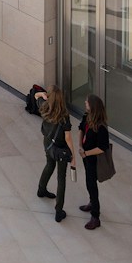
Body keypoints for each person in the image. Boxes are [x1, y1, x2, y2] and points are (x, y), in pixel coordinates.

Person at [37, 85, 75, 222]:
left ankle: (41, 189)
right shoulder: (64, 116)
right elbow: (68, 139)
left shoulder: (44, 107)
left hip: (48, 143)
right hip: (61, 149)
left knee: (49, 165)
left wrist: (43, 94)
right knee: (61, 179)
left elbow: (36, 96)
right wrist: (73, 156)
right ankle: (59, 211)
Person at [78, 93, 111, 230]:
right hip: (85, 156)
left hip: (93, 159)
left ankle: (95, 216)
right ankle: (92, 202)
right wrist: (80, 146)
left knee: (91, 185)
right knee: (88, 182)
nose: (85, 104)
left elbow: (102, 148)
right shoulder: (87, 116)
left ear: (92, 106)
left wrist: (86, 153)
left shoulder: (101, 127)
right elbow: (81, 129)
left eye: (87, 102)